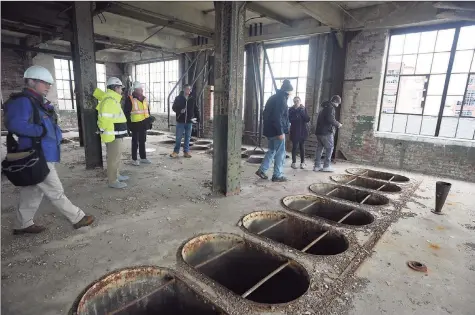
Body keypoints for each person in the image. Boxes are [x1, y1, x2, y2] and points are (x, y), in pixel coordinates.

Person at [3, 65, 95, 234]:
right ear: (31, 81)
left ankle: (22, 224)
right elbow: (15, 124)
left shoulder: (39, 103)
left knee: (32, 191)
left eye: (49, 84)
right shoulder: (23, 101)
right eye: (44, 83)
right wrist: (41, 131)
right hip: (36, 155)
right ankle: (77, 218)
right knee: (55, 191)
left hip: (45, 153)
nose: (48, 86)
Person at [94, 77, 129, 189]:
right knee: (113, 158)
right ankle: (112, 180)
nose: (121, 90)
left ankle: (116, 175)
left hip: (116, 133)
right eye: (120, 88)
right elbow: (103, 119)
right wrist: (107, 133)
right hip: (113, 135)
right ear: (115, 88)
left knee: (117, 156)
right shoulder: (109, 101)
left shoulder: (113, 99)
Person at [255, 79, 293, 182]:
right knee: (280, 153)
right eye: (291, 92)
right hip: (277, 131)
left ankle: (262, 170)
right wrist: (280, 131)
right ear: (288, 91)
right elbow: (277, 117)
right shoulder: (281, 99)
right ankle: (277, 175)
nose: (291, 94)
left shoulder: (273, 97)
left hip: (270, 131)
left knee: (272, 150)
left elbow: (266, 114)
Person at [124, 81, 152, 166]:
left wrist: (149, 122)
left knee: (142, 141)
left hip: (144, 123)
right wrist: (128, 125)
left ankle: (143, 158)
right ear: (135, 90)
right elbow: (126, 113)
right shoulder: (130, 99)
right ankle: (134, 159)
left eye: (141, 89)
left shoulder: (144, 98)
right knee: (135, 142)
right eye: (139, 89)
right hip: (135, 124)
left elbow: (147, 111)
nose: (141, 90)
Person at [314, 95, 343, 172]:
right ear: (336, 102)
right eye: (338, 104)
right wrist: (338, 124)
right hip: (326, 132)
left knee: (319, 148)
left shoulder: (324, 107)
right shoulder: (330, 108)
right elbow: (330, 119)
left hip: (319, 132)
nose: (338, 105)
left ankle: (317, 166)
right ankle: (326, 166)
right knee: (330, 148)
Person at [170, 84, 200, 158]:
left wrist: (198, 118)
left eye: (190, 89)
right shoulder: (178, 98)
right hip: (180, 121)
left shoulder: (192, 99)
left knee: (187, 137)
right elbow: (173, 108)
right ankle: (175, 152)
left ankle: (186, 152)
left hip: (189, 122)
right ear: (184, 89)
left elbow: (196, 109)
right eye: (187, 89)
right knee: (178, 137)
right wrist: (180, 110)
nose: (189, 91)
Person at [288, 96, 310, 169]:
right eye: (295, 101)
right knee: (294, 147)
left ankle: (302, 163)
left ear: (300, 101)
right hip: (294, 130)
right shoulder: (291, 110)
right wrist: (296, 114)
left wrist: (302, 113)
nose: (296, 102)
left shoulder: (303, 109)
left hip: (302, 130)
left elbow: (307, 119)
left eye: (297, 101)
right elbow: (290, 119)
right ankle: (293, 162)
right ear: (293, 102)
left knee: (302, 147)